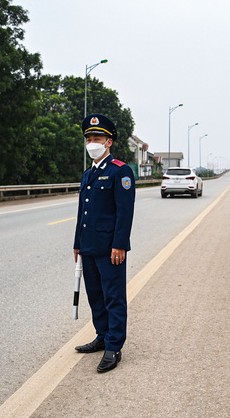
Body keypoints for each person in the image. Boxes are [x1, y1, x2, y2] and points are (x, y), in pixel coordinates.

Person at [73, 113, 135, 373]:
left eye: (97, 138)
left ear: (109, 142)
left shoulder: (120, 171)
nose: (92, 142)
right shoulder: (88, 174)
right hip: (88, 246)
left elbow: (125, 212)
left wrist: (119, 244)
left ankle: (114, 346)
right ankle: (101, 335)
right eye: (88, 138)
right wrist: (77, 243)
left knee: (113, 297)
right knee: (95, 296)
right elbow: (82, 211)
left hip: (111, 248)